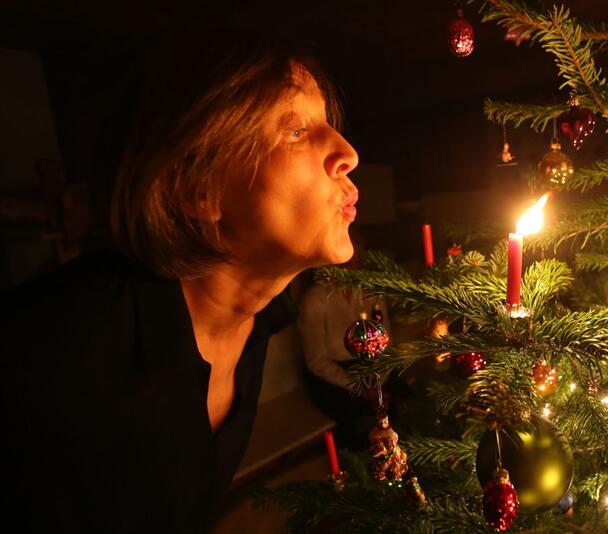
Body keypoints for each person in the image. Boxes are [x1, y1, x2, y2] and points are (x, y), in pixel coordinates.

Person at [0, 30, 359, 532]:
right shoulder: (51, 353)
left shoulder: (260, 320)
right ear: (199, 188)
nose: (347, 153)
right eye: (295, 131)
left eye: (327, 124)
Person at [296, 234, 389, 447]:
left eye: (355, 256)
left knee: (400, 403)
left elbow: (385, 342)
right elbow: (316, 361)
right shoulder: (315, 301)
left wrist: (379, 384)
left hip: (370, 367)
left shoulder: (370, 293)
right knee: (356, 424)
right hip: (332, 375)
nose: (350, 263)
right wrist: (361, 389)